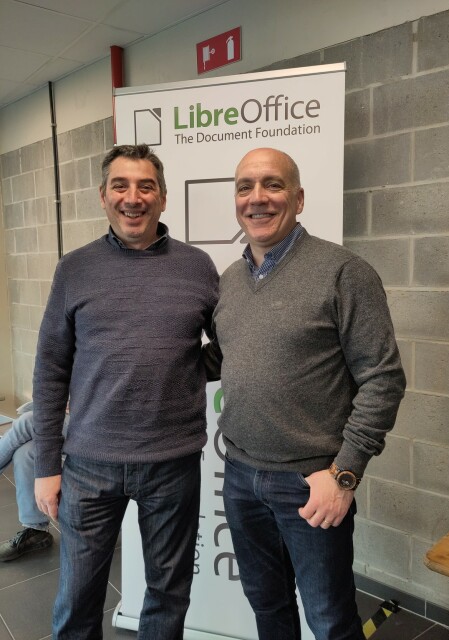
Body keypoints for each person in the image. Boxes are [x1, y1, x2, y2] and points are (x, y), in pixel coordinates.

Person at [210, 148, 406, 640]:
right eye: (245, 187)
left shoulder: (344, 272)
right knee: (267, 606)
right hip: (239, 477)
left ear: (298, 198)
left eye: (272, 185)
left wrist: (344, 473)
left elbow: (383, 378)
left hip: (311, 483)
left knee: (330, 619)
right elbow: (227, 357)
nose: (257, 198)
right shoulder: (230, 280)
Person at [33, 144, 219, 640]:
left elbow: (230, 344)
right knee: (77, 599)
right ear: (103, 196)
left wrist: (182, 371)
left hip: (173, 464)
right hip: (89, 465)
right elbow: (51, 370)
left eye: (145, 186)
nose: (132, 198)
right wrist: (48, 465)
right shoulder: (74, 269)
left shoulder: (198, 266)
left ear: (162, 198)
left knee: (167, 594)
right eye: (121, 186)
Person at [0, 404, 69, 561]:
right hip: (72, 411)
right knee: (27, 452)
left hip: (104, 422)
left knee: (28, 421)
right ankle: (36, 530)